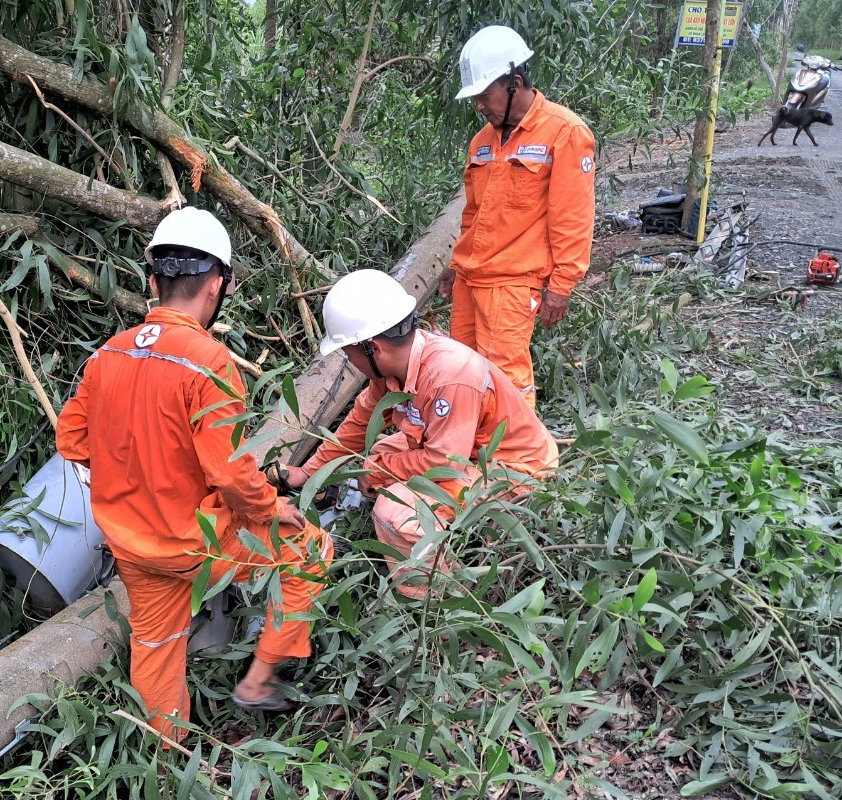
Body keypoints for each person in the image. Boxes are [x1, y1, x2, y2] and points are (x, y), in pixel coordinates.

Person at [55, 207, 332, 740]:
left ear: (154, 282)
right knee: (311, 553)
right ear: (216, 285)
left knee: (155, 649)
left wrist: (133, 468)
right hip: (197, 543)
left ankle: (166, 756)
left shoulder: (106, 355)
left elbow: (71, 441)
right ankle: (259, 680)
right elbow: (230, 475)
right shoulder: (209, 362)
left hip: (132, 546)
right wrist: (273, 508)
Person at [282, 270, 557, 597]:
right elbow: (359, 423)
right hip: (462, 446)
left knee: (392, 513)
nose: (349, 361)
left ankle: (441, 600)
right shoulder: (396, 367)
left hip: (512, 468)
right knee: (380, 450)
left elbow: (445, 463)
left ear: (373, 348)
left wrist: (380, 471)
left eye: (348, 353)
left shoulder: (448, 375)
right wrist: (308, 472)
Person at [437, 25, 596, 408]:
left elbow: (573, 216)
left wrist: (561, 285)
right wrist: (455, 265)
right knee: (464, 370)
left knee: (505, 378)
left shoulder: (565, 132)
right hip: (471, 278)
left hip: (512, 282)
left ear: (515, 83)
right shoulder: (483, 141)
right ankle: (471, 447)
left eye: (484, 96)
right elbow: (473, 214)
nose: (479, 106)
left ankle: (518, 460)